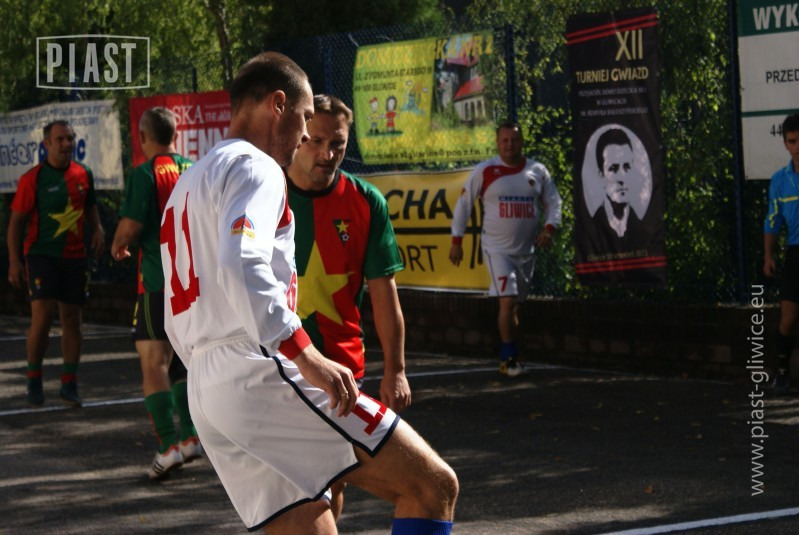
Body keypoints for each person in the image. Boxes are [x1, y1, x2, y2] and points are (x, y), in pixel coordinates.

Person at [160, 52, 457, 534]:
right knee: (431, 487)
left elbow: (181, 298)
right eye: (303, 119)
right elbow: (241, 261)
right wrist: (306, 355)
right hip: (255, 368)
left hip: (206, 383)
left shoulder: (189, 180)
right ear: (277, 104)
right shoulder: (256, 165)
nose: (303, 136)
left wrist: (212, 372)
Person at [285, 93, 410, 520]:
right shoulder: (264, 192)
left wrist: (395, 369)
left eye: (337, 143)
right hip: (276, 365)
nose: (327, 153)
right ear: (298, 136)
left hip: (342, 369)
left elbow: (384, 293)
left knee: (332, 480)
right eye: (316, 141)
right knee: (293, 489)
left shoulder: (365, 201)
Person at [110, 107, 202, 480]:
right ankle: (191, 436)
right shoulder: (195, 169)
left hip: (157, 282)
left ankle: (167, 446)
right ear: (175, 135)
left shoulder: (145, 173)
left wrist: (118, 244)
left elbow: (130, 227)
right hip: (194, 285)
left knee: (153, 362)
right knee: (180, 362)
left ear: (143, 137)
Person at [449, 121, 562, 377]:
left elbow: (554, 202)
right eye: (505, 140)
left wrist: (549, 229)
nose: (510, 145)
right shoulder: (486, 170)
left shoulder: (537, 171)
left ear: (522, 142)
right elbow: (464, 204)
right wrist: (457, 241)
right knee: (508, 301)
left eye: (515, 140)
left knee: (515, 306)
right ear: (497, 143)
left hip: (526, 251)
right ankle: (507, 358)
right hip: (497, 249)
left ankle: (512, 352)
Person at [7, 120, 105, 407]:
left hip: (75, 257)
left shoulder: (83, 173)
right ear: (46, 144)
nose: (66, 144)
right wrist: (14, 261)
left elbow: (90, 206)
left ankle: (69, 383)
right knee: (43, 316)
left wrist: (98, 229)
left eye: (70, 139)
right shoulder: (33, 179)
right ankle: (34, 378)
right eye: (60, 139)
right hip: (41, 255)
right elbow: (16, 223)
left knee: (72, 319)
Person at [764, 113, 799, 396]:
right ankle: (783, 372)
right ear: (785, 143)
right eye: (792, 141)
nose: (798, 147)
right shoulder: (779, 180)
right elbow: (772, 221)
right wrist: (768, 255)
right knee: (787, 319)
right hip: (795, 253)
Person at [590, 128, 647, 249]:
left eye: (627, 167)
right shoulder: (590, 230)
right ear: (601, 176)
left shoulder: (644, 230)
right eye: (613, 168)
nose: (622, 177)